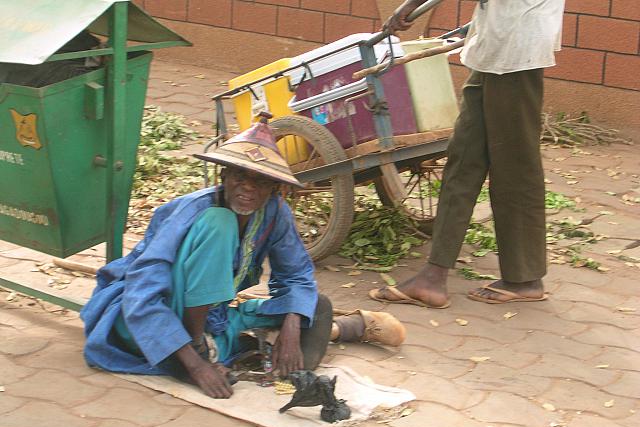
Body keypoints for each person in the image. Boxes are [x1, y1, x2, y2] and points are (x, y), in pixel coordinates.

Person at [81, 114, 405, 399]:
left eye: (261, 181)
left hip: (215, 317)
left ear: (275, 189)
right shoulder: (195, 212)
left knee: (310, 306)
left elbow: (296, 275)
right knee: (220, 231)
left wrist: (291, 329)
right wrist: (196, 365)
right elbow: (141, 295)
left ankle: (300, 336)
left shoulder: (275, 212)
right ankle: (197, 350)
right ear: (224, 177)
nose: (248, 188)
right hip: (146, 319)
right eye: (239, 176)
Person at [370, 0, 564, 307]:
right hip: (494, 46)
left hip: (517, 52)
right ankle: (433, 277)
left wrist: (409, 6)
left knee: (514, 166)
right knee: (463, 159)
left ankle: (525, 278)